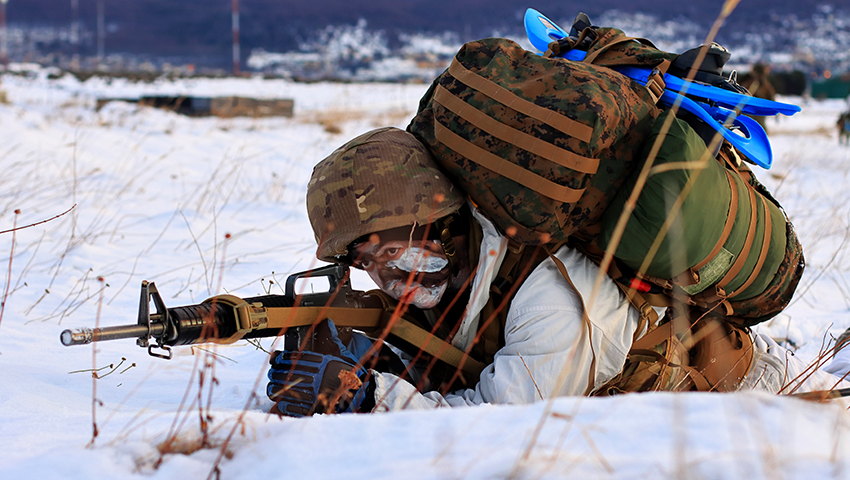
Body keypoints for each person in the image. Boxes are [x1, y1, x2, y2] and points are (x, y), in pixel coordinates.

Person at [266, 127, 850, 416]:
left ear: (441, 219)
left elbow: (495, 430)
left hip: (737, 401)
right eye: (363, 260)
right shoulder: (457, 267)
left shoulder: (550, 294)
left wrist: (368, 396)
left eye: (391, 252)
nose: (384, 276)